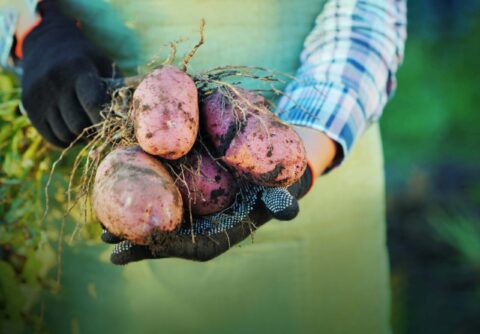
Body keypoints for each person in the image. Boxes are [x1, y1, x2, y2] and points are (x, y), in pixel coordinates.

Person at [1, 0, 406, 333]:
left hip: (314, 141)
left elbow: (369, 16)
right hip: (89, 174)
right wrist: (29, 30)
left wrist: (303, 145)